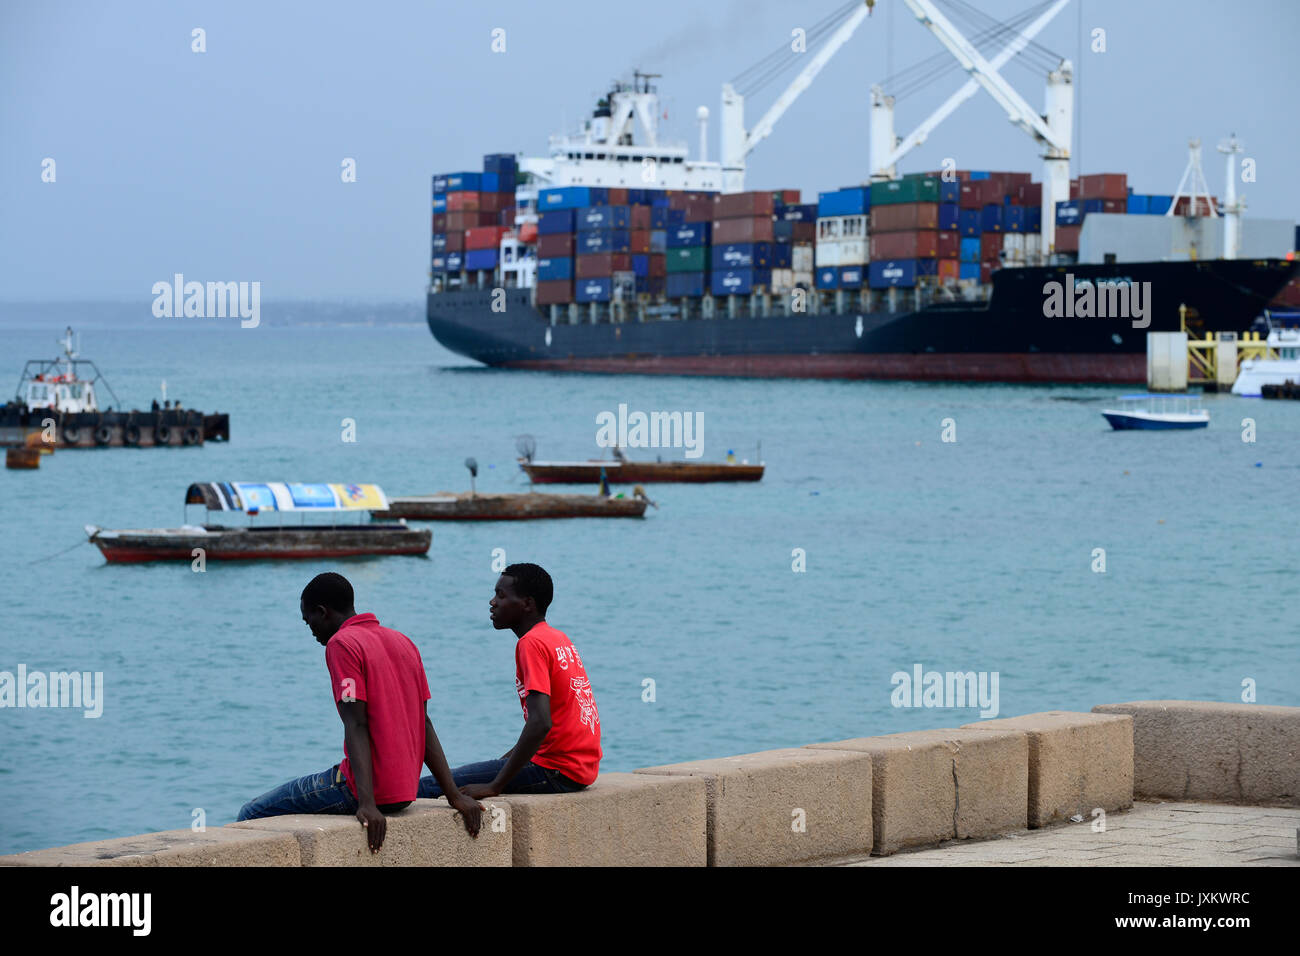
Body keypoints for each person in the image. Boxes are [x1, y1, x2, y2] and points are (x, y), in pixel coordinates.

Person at [237, 572, 483, 852]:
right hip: (404, 793)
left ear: (322, 612)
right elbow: (423, 721)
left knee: (251, 815)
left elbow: (356, 724)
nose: (312, 630)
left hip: (362, 791)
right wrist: (453, 795)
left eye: (310, 622)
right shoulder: (403, 641)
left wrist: (366, 803)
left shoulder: (341, 644)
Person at [418, 563, 601, 800]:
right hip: (579, 770)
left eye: (501, 595)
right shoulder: (557, 638)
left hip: (555, 770)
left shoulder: (530, 644)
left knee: (431, 786)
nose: (492, 602)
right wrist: (501, 765)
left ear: (527, 604)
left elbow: (540, 722)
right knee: (476, 771)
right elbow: (551, 728)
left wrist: (495, 785)